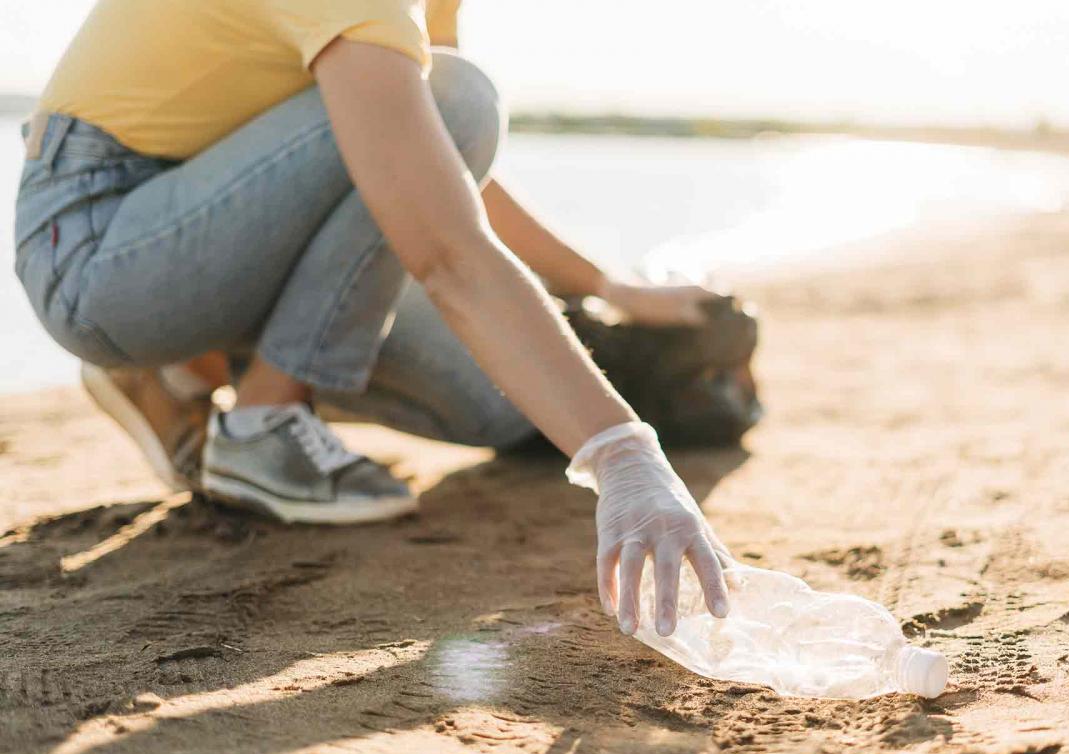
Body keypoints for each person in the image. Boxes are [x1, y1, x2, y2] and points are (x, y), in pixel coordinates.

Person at [12, 0, 732, 638]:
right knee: (460, 95)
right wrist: (621, 455)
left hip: (213, 232)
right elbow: (446, 243)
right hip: (97, 245)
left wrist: (610, 287)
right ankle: (260, 418)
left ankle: (179, 371)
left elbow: (431, 168)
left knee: (492, 406)